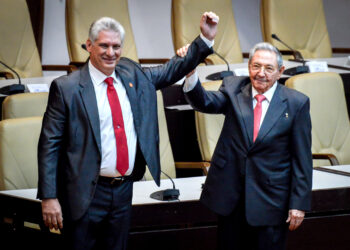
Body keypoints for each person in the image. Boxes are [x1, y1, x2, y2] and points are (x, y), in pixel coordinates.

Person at [37, 12, 219, 250]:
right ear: (89, 45)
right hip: (84, 193)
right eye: (103, 45)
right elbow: (49, 144)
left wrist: (204, 39)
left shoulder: (132, 73)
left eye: (116, 46)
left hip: (123, 190)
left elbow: (171, 70)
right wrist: (49, 197)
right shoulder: (67, 88)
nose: (110, 53)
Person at [178, 42, 313, 250]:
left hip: (271, 200)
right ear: (249, 67)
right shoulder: (233, 89)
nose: (261, 73)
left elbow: (302, 158)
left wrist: (298, 204)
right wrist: (190, 72)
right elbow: (203, 102)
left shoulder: (297, 103)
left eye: (269, 68)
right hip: (231, 199)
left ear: (280, 72)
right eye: (256, 66)